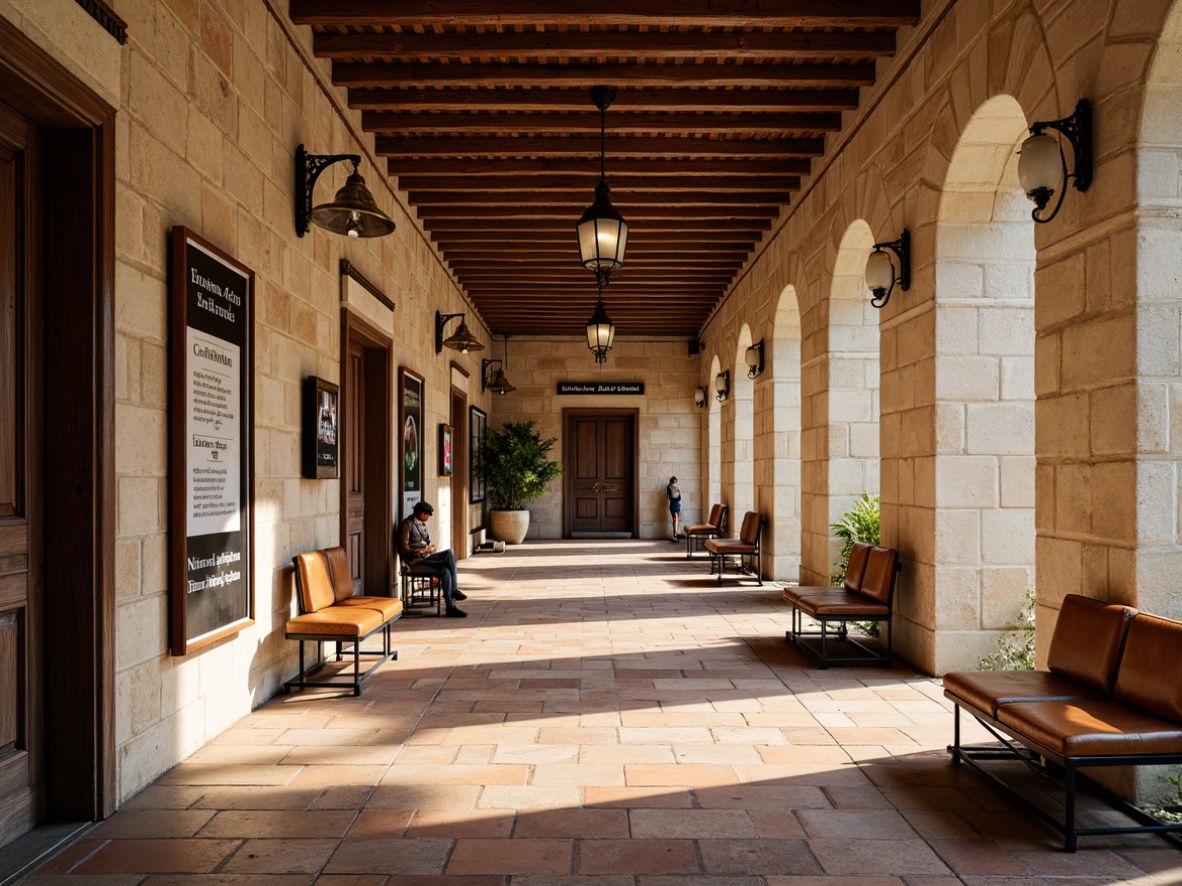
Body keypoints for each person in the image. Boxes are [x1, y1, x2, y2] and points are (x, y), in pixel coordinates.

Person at [397, 501, 468, 617]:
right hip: (413, 562)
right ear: (420, 513)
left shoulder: (422, 525)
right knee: (449, 553)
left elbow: (430, 544)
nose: (428, 517)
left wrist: (430, 549)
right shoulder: (407, 524)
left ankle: (449, 606)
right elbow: (403, 547)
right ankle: (453, 590)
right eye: (427, 514)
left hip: (425, 558)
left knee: (445, 570)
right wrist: (421, 549)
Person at [666, 476, 682, 542]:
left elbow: (678, 495)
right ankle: (675, 535)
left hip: (677, 503)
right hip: (674, 503)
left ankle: (675, 535)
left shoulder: (676, 486)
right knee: (675, 519)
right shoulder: (670, 487)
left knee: (676, 519)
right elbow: (672, 496)